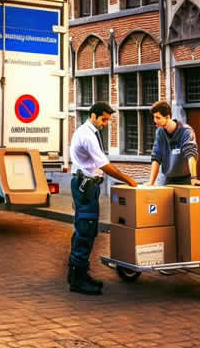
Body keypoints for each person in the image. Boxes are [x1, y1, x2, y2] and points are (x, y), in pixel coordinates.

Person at [68, 101, 137, 295]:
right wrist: (129, 180)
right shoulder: (88, 136)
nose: (105, 124)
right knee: (86, 230)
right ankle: (78, 280)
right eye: (104, 120)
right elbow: (104, 165)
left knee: (82, 229)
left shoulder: (86, 131)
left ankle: (76, 274)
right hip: (85, 186)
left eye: (107, 120)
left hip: (84, 185)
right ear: (93, 116)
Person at [147, 100, 200, 187]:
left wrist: (194, 178)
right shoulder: (159, 132)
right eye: (154, 117)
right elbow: (156, 157)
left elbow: (191, 154)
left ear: (167, 117)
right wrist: (151, 182)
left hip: (185, 180)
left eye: (158, 118)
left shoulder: (186, 131)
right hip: (167, 180)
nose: (155, 120)